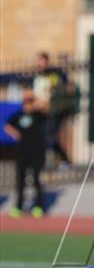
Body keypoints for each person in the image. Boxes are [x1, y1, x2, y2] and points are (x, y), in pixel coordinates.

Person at [4, 89, 48, 218]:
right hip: (22, 152)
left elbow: (46, 107)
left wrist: (34, 97)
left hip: (36, 152)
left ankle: (38, 207)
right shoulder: (18, 115)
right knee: (20, 181)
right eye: (26, 102)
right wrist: (15, 134)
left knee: (36, 180)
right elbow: (7, 125)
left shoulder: (38, 115)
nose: (28, 105)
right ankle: (18, 207)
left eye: (30, 102)